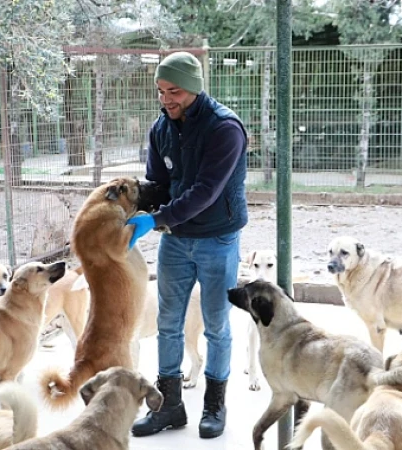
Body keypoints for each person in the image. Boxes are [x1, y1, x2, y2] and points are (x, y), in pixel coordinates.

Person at [125, 51, 248, 440]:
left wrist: (155, 219)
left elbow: (206, 192)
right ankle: (170, 406)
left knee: (215, 325)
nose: (166, 99)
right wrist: (129, 207)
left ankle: (214, 404)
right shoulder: (161, 127)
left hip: (216, 238)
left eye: (173, 91)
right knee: (167, 323)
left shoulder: (225, 129)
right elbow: (159, 183)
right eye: (160, 91)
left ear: (193, 88)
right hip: (176, 241)